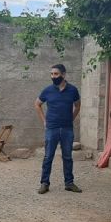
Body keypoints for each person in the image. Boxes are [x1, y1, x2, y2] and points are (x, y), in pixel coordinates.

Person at [35, 64, 82, 194]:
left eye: (56, 74)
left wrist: (71, 118)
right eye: (51, 74)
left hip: (67, 128)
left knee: (67, 157)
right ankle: (44, 183)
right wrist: (44, 121)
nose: (53, 76)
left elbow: (77, 105)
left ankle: (69, 183)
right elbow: (37, 104)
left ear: (63, 74)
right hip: (52, 128)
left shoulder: (73, 90)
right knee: (48, 156)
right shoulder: (48, 90)